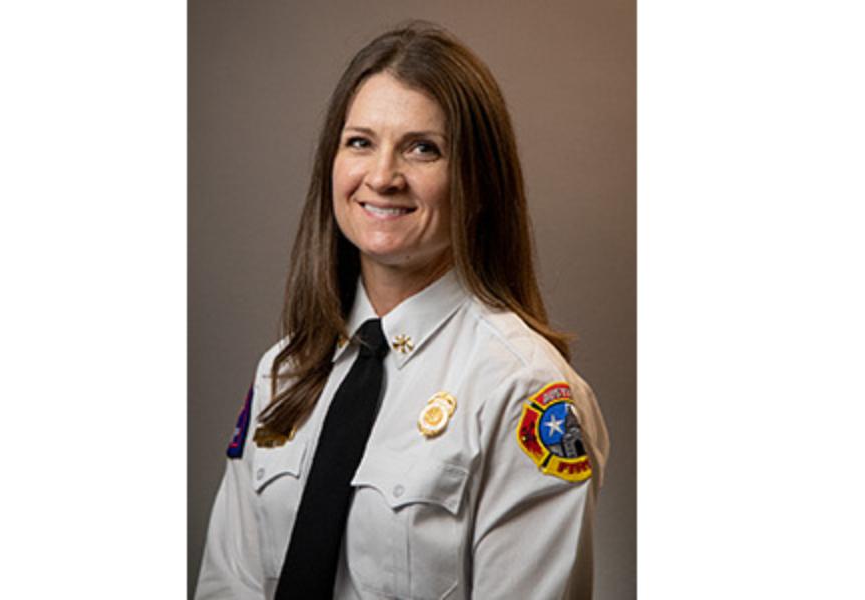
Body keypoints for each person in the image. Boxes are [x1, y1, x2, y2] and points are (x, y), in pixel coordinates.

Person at [196, 22, 609, 600]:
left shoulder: (522, 390)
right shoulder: (283, 373)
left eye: (423, 148)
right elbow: (227, 585)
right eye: (360, 142)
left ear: (479, 181)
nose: (383, 177)